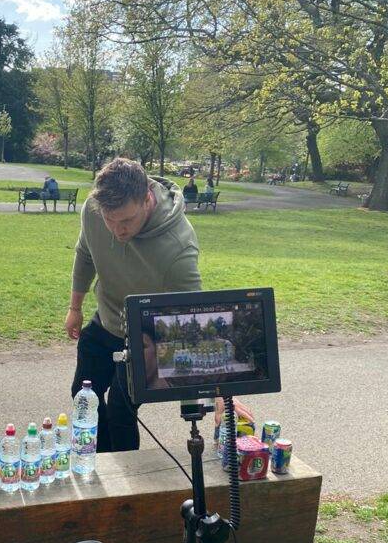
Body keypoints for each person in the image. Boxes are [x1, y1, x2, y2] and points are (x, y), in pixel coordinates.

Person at [66, 157, 251, 453]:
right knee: (82, 395)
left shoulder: (178, 249)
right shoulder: (93, 208)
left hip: (144, 337)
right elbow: (85, 253)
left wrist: (221, 393)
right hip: (106, 320)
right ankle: (99, 464)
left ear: (147, 198)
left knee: (120, 409)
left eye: (126, 220)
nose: (117, 231)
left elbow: (196, 319)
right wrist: (75, 308)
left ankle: (128, 487)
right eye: (109, 220)